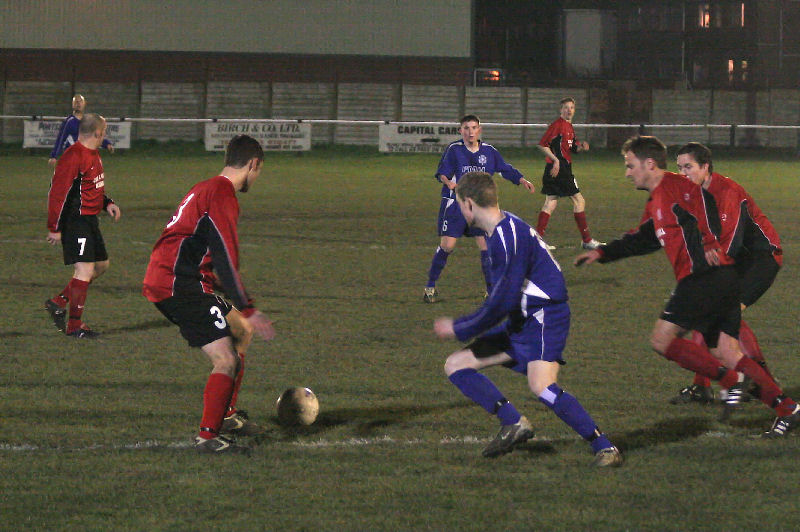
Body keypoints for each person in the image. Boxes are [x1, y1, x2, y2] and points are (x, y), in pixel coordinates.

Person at [574, 135, 799, 437]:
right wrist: (604, 252)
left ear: (648, 164)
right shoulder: (657, 197)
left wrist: (708, 240)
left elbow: (703, 205)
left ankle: (730, 382)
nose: (627, 173)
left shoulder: (677, 188)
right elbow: (645, 237)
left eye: (630, 166)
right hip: (718, 277)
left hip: (704, 277)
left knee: (662, 340)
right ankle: (787, 409)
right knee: (728, 350)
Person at [433, 171, 622, 467]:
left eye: (459, 203)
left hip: (545, 318)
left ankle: (605, 446)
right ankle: (514, 423)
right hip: (523, 319)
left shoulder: (506, 237)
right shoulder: (500, 228)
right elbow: (503, 299)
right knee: (456, 365)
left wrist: (460, 327)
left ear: (468, 203)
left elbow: (502, 301)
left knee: (542, 386)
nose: (458, 209)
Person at [143, 134, 275, 454]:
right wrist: (249, 306)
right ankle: (207, 436)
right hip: (178, 285)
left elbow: (191, 240)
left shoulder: (206, 187)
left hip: (182, 278)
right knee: (225, 358)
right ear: (253, 164)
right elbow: (227, 259)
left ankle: (226, 415)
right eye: (259, 171)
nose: (256, 177)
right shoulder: (222, 194)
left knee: (240, 330)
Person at [670, 142, 782, 405]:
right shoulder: (696, 192)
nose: (682, 173)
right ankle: (706, 387)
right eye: (679, 168)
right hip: (737, 259)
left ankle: (764, 384)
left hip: (761, 258)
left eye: (688, 167)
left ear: (705, 167)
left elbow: (728, 244)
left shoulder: (725, 192)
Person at [424, 114, 536, 303]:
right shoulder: (454, 150)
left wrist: (521, 179)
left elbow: (504, 168)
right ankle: (430, 287)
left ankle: (491, 290)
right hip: (456, 204)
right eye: (466, 128)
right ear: (460, 131)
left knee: (485, 246)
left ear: (479, 130)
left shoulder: (489, 151)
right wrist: (448, 182)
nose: (470, 132)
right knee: (447, 246)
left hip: (479, 206)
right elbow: (442, 173)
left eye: (474, 128)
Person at [45, 113, 121, 338]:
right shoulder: (73, 156)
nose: (105, 135)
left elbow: (92, 186)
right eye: (104, 131)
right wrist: (55, 228)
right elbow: (57, 194)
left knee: (101, 266)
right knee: (85, 269)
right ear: (97, 133)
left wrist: (107, 203)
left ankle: (57, 302)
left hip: (89, 219)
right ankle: (74, 325)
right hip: (74, 221)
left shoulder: (94, 154)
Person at [535, 97, 603, 251]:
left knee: (550, 202)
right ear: (561, 110)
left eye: (571, 107)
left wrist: (581, 147)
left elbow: (572, 148)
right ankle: (587, 240)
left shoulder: (569, 127)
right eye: (566, 107)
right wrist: (556, 160)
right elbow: (542, 144)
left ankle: (537, 240)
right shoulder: (557, 125)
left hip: (555, 168)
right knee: (579, 201)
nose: (569, 110)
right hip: (561, 169)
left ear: (574, 110)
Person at [49, 94, 114, 166]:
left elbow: (94, 137)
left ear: (84, 104)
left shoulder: (88, 121)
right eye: (76, 102)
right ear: (72, 105)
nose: (78, 104)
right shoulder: (69, 122)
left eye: (80, 102)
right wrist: (54, 156)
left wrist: (107, 144)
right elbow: (60, 139)